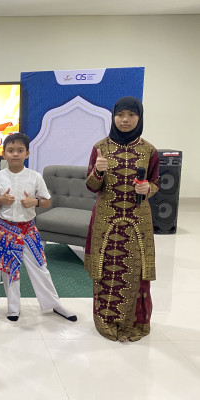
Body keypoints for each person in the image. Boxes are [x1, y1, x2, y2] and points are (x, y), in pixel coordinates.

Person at [85, 96, 159, 342]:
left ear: (139, 117)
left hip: (138, 221)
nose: (125, 120)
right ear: (113, 117)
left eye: (131, 115)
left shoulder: (149, 150)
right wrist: (98, 171)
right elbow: (91, 186)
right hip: (107, 220)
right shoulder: (100, 148)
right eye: (120, 115)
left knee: (136, 271)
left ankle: (134, 323)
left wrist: (148, 188)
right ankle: (106, 321)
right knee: (105, 270)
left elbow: (156, 183)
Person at [0, 133, 77, 322]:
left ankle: (54, 304)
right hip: (5, 229)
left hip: (28, 229)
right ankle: (13, 308)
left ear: (27, 153)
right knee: (9, 270)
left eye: (20, 150)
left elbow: (47, 202)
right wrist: (1, 200)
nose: (15, 154)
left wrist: (34, 202)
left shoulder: (35, 177)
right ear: (4, 154)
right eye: (11, 150)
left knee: (40, 267)